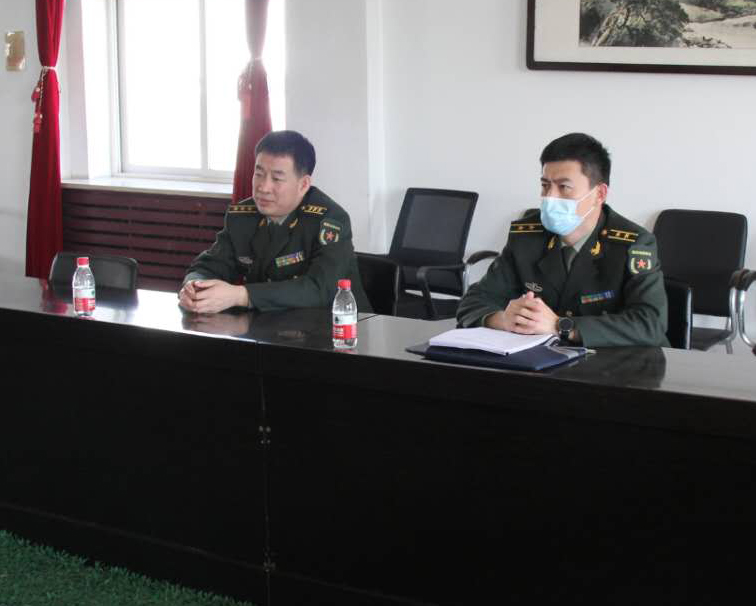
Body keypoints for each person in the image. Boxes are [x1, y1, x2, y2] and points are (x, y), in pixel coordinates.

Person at [456, 132, 668, 347]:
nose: (550, 197)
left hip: (618, 363)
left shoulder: (632, 243)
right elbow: (473, 302)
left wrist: (562, 326)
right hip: (542, 359)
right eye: (545, 185)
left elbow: (650, 323)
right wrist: (503, 319)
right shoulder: (526, 237)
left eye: (564, 187)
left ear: (599, 194)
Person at [179, 130, 370, 314]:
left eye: (277, 178)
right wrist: (194, 287)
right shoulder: (242, 217)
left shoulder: (329, 220)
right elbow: (209, 266)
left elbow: (319, 288)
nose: (263, 187)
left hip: (334, 327)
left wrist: (242, 295)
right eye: (259, 174)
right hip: (266, 326)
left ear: (303, 184)